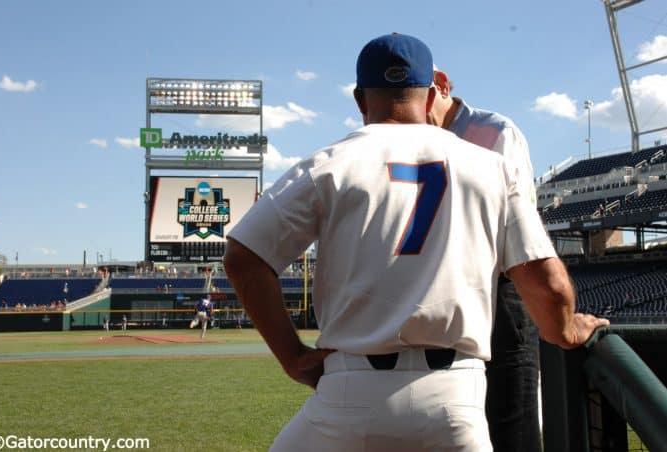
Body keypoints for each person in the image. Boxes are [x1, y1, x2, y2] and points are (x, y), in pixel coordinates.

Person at [223, 33, 609, 452]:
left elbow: (243, 258)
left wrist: (294, 358)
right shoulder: (490, 166)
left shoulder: (329, 163)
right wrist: (568, 329)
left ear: (359, 99)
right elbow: (547, 285)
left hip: (349, 391)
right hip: (454, 399)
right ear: (431, 96)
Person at [427, 66, 542, 451]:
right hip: (448, 293)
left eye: (418, 93)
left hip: (501, 287)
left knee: (510, 416)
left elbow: (513, 222)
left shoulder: (495, 131)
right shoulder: (414, 139)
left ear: (442, 86)